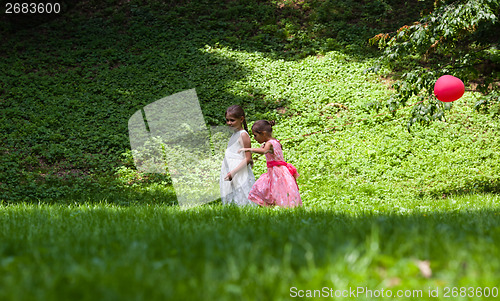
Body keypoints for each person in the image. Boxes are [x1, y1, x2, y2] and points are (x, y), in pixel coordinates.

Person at [239, 120, 302, 208]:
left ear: (263, 134)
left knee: (277, 189)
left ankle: (279, 206)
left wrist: (247, 149)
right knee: (265, 187)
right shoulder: (274, 141)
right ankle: (272, 206)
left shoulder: (269, 143)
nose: (254, 138)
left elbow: (264, 151)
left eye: (255, 135)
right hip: (275, 171)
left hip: (277, 172)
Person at [219, 105, 256, 206]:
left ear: (241, 119)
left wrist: (233, 172)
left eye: (232, 120)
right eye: (227, 120)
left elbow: (247, 158)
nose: (229, 123)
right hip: (230, 168)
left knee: (242, 195)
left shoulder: (243, 135)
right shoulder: (235, 134)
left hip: (238, 171)